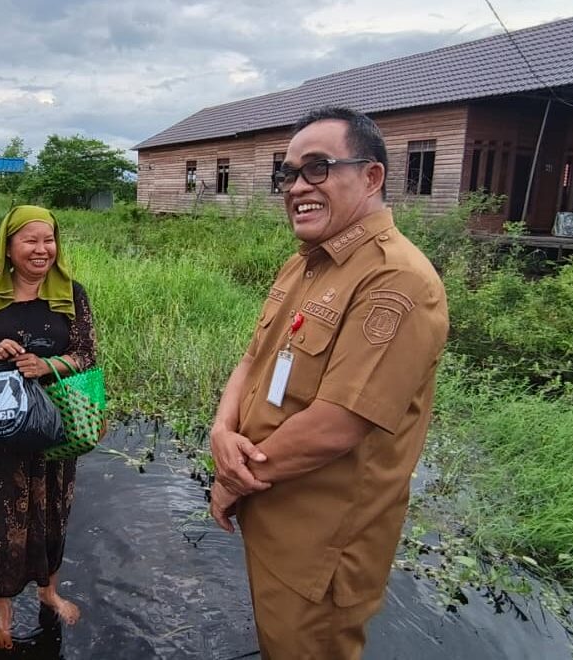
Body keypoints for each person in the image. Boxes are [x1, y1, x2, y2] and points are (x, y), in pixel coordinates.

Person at [208, 107, 449, 659]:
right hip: (270, 514)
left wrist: (231, 480)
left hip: (320, 547)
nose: (297, 187)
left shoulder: (396, 279)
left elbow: (337, 425)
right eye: (287, 174)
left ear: (371, 177)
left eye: (317, 168)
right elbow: (252, 362)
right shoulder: (305, 265)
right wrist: (222, 431)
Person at [0, 205, 98, 649]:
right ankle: (3, 612)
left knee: (53, 510)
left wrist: (48, 364)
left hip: (55, 427)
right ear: (9, 247)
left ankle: (49, 592)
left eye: (48, 240)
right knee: (0, 518)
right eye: (30, 241)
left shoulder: (72, 295)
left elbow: (86, 354)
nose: (41, 250)